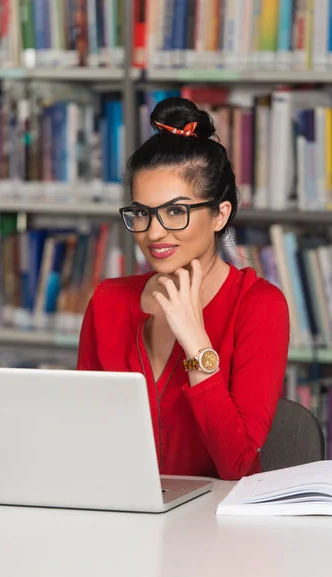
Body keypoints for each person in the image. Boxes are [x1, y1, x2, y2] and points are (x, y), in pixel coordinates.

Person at [77, 97, 290, 481]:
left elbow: (237, 465)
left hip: (213, 528)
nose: (154, 232)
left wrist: (196, 344)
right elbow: (85, 438)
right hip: (119, 517)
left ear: (219, 214)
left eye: (176, 211)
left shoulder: (259, 306)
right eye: (141, 212)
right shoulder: (107, 301)